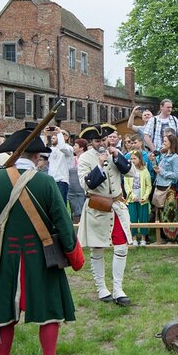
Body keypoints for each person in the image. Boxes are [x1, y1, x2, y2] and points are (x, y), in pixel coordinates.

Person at [0, 128, 82, 355]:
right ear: (36, 156)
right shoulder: (45, 182)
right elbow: (63, 223)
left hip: (6, 256)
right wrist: (73, 253)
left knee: (3, 312)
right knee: (49, 312)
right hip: (40, 256)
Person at [77, 124, 133, 306]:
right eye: (97, 140)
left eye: (103, 139)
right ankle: (101, 287)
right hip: (98, 207)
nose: (101, 143)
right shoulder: (85, 158)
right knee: (97, 248)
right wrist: (100, 165)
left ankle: (118, 288)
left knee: (121, 247)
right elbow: (87, 185)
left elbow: (131, 171)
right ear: (91, 142)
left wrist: (117, 157)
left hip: (116, 206)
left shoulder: (114, 152)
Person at [153, 134, 178, 242]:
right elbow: (158, 169)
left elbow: (177, 174)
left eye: (165, 141)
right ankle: (163, 237)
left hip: (169, 189)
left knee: (169, 214)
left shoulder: (175, 158)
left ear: (171, 143)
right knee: (161, 213)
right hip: (160, 187)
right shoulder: (163, 156)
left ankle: (172, 237)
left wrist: (162, 172)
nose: (163, 143)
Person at [125, 151, 151, 245]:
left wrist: (145, 196)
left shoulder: (144, 170)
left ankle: (143, 238)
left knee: (143, 218)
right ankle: (134, 237)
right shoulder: (128, 171)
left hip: (142, 200)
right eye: (131, 159)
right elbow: (127, 186)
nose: (132, 160)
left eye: (134, 158)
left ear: (139, 159)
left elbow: (149, 186)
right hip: (132, 199)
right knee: (133, 218)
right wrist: (132, 196)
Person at [46, 128, 74, 204]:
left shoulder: (69, 148)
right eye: (59, 134)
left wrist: (59, 133)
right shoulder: (52, 149)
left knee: (60, 204)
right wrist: (45, 134)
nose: (60, 135)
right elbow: (42, 152)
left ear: (67, 137)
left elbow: (62, 148)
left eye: (63, 134)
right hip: (51, 180)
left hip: (61, 181)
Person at [67, 138, 88, 224]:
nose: (73, 147)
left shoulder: (86, 159)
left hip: (82, 191)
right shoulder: (71, 159)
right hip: (71, 191)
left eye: (75, 145)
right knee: (74, 214)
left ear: (82, 148)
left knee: (83, 214)